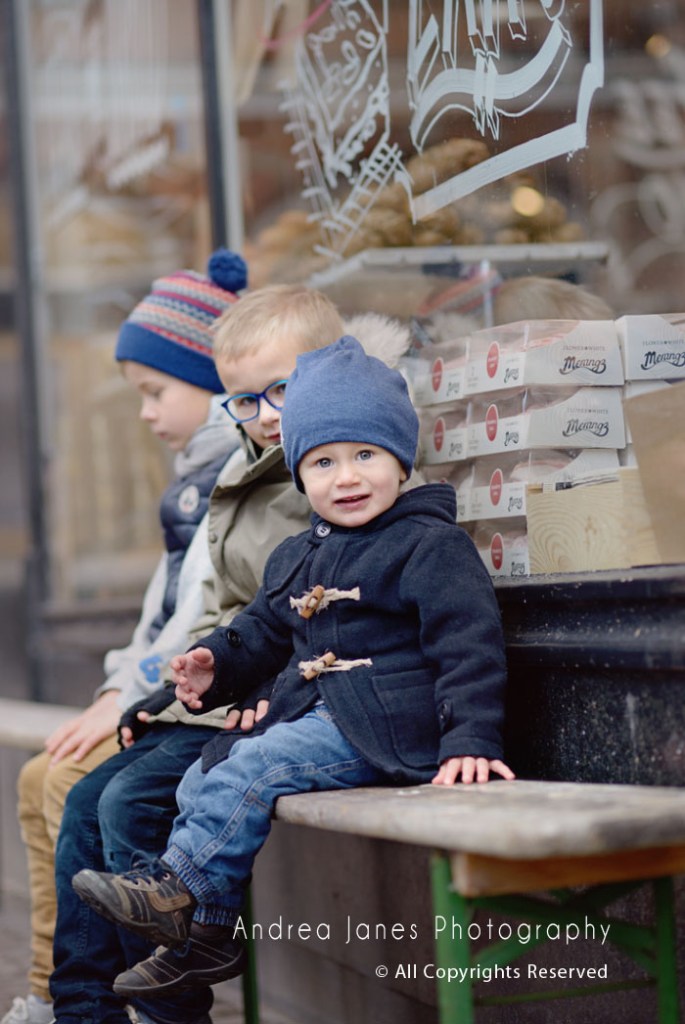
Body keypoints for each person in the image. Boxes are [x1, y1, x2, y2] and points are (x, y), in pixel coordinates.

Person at [72, 335, 515, 998]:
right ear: (299, 475)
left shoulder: (430, 545)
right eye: (322, 462)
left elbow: (469, 646)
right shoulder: (299, 555)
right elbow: (261, 630)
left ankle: (178, 890)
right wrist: (212, 663)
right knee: (206, 771)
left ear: (400, 459)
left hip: (388, 726)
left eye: (365, 455)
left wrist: (471, 739)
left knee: (254, 767)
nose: (345, 477)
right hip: (322, 715)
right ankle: (208, 937)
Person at [48, 284, 351, 1024]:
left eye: (281, 389)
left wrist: (255, 685)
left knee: (126, 803)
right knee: (84, 802)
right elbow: (218, 608)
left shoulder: (336, 474)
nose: (265, 414)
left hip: (290, 704)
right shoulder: (251, 470)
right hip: (224, 693)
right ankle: (84, 1009)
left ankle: (171, 1009)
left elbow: (319, 616)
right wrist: (165, 686)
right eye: (243, 400)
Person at [2, 250, 247, 1024]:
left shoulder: (231, 475)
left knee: (75, 787)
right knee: (39, 776)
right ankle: (52, 986)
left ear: (213, 385)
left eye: (155, 391)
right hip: (152, 690)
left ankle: (114, 996)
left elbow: (202, 618)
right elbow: (156, 609)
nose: (144, 411)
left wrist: (126, 698)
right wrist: (115, 687)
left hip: (196, 701)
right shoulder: (190, 477)